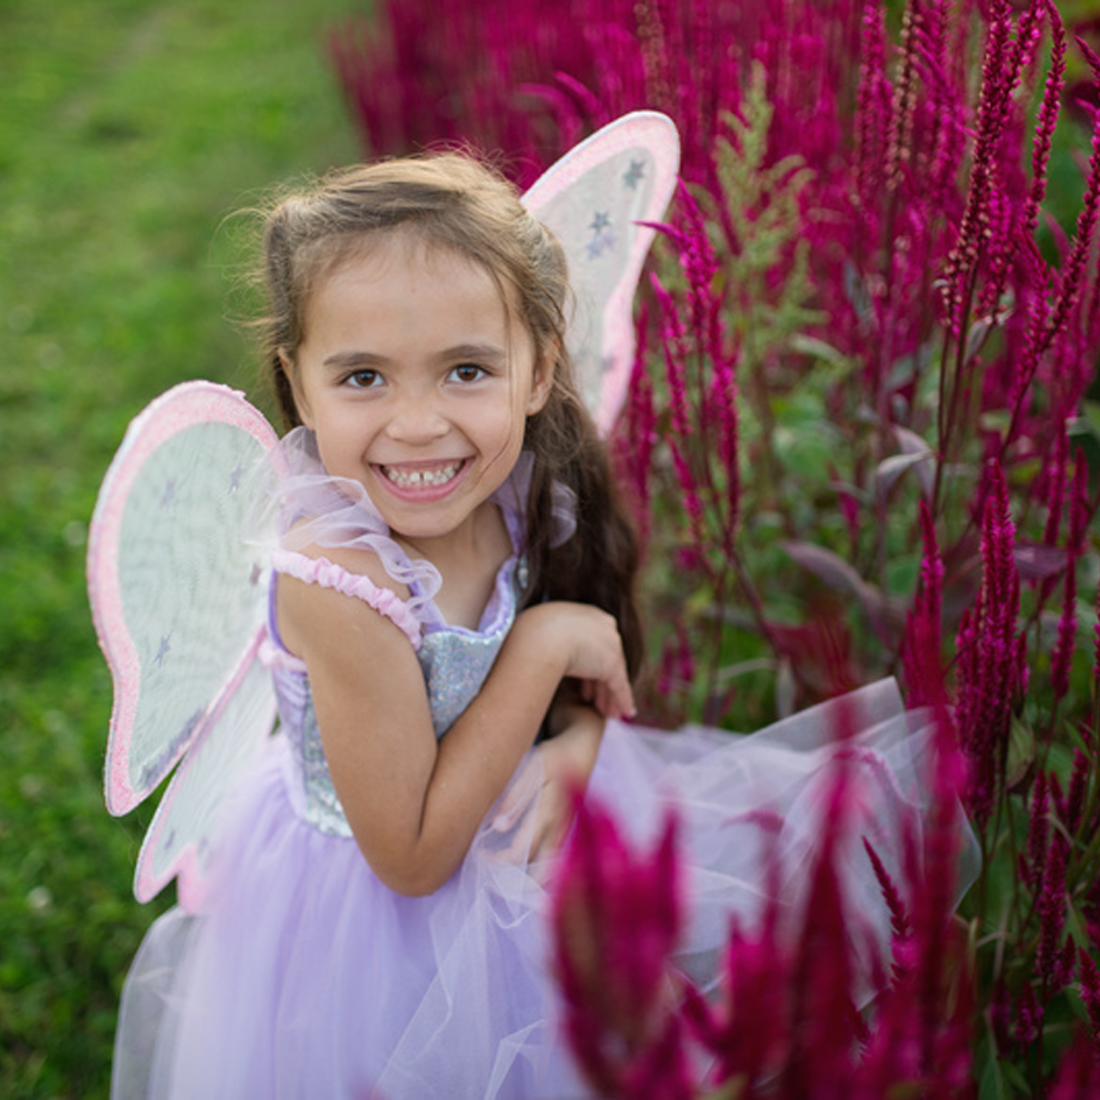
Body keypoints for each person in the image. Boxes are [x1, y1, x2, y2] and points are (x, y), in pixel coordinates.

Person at [109, 153, 969, 1099]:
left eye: (466, 369)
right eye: (363, 377)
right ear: (298, 386)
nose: (419, 424)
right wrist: (544, 642)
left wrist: (578, 743)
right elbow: (412, 855)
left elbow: (587, 692)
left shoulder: (519, 489)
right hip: (371, 911)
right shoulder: (338, 583)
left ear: (537, 371)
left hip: (528, 817)